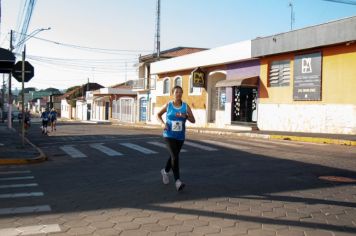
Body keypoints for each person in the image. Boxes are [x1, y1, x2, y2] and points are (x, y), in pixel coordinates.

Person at [157, 85, 195, 191]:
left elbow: (193, 120)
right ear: (173, 94)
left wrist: (186, 116)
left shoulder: (185, 106)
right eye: (176, 92)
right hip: (168, 135)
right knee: (175, 157)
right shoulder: (168, 105)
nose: (178, 94)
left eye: (180, 92)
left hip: (180, 136)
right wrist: (162, 124)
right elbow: (158, 115)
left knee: (173, 156)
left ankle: (165, 171)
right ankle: (178, 181)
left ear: (182, 94)